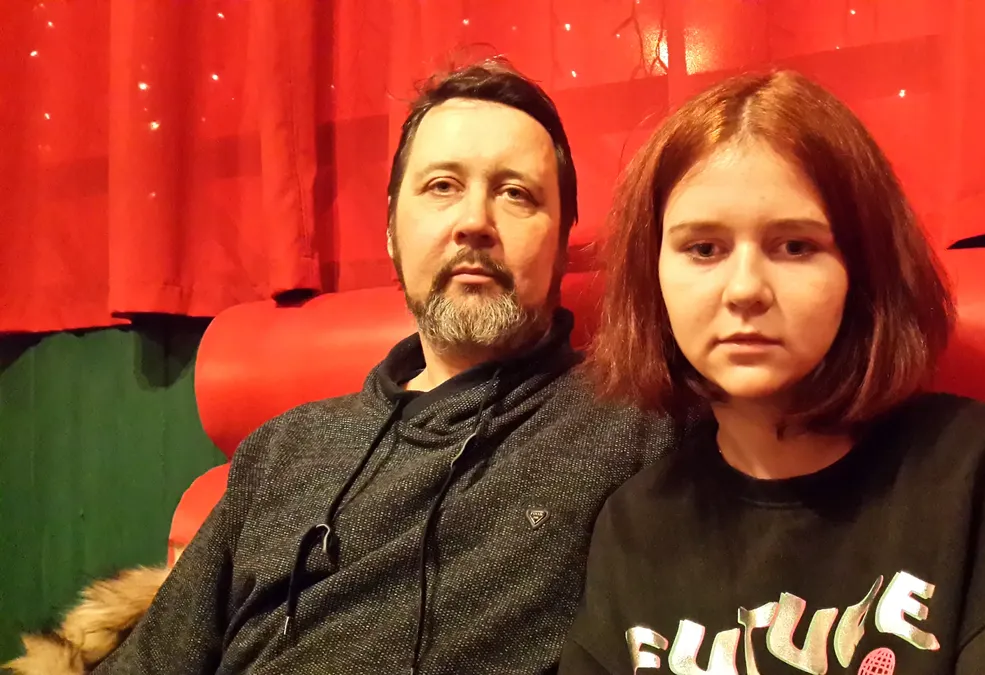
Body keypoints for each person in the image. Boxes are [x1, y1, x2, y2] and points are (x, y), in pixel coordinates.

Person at [7, 59, 677, 675]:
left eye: (516, 193)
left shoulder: (636, 427)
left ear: (561, 241)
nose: (474, 220)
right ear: (391, 230)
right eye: (442, 186)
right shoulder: (280, 450)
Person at [560, 71, 985, 674]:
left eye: (796, 246)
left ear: (861, 274)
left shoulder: (976, 466)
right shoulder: (635, 522)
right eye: (703, 249)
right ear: (654, 278)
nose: (745, 289)